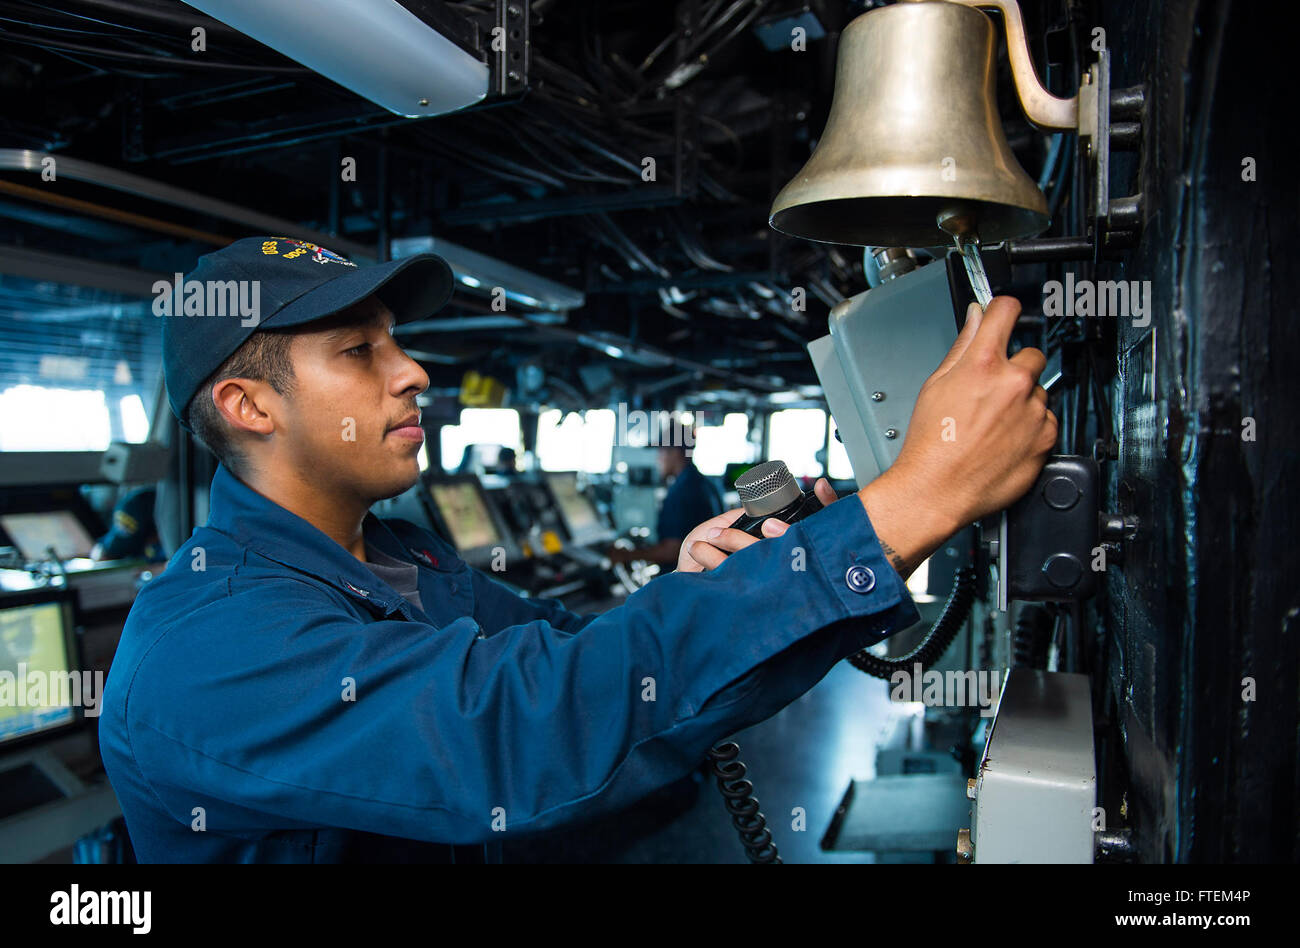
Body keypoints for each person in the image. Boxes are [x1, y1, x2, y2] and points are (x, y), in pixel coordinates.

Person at [98, 235, 1055, 862]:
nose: (415, 371)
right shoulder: (209, 643)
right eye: (360, 351)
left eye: (397, 342)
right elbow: (512, 732)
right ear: (249, 405)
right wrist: (914, 501)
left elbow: (570, 657)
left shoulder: (400, 555)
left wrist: (700, 582)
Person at [606, 438, 722, 574]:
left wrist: (626, 555)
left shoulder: (680, 492)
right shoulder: (706, 483)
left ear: (674, 453)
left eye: (660, 452)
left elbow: (671, 551)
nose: (657, 459)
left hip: (685, 580)